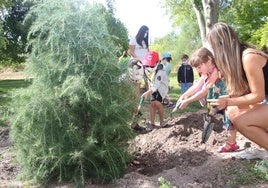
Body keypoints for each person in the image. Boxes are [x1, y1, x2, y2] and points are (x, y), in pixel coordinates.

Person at [205, 22, 268, 155]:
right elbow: (239, 94)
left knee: (242, 121)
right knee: (233, 112)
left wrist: (228, 102)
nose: (214, 53)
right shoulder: (238, 60)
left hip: (263, 99)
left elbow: (258, 96)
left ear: (223, 45)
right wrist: (223, 100)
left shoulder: (248, 57)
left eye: (214, 48)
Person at [172, 47, 239, 152]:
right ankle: (231, 142)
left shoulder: (215, 71)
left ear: (209, 61)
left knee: (229, 117)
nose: (198, 71)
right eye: (196, 68)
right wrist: (184, 95)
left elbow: (204, 91)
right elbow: (198, 85)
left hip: (228, 96)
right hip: (220, 97)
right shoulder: (206, 72)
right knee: (221, 116)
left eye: (199, 67)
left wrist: (188, 101)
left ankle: (231, 143)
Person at [141, 59, 169, 131]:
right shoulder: (148, 70)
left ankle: (162, 121)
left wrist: (146, 93)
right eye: (148, 65)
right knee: (153, 104)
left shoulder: (161, 71)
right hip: (153, 88)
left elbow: (156, 85)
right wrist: (149, 90)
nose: (150, 67)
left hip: (161, 89)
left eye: (151, 65)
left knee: (157, 103)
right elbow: (150, 81)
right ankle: (152, 123)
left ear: (157, 62)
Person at [129, 25, 149, 90]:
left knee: (147, 81)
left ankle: (149, 98)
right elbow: (131, 52)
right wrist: (139, 59)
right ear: (141, 32)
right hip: (136, 64)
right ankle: (136, 99)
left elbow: (147, 52)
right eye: (145, 32)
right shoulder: (133, 39)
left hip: (145, 64)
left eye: (147, 33)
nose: (146, 34)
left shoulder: (145, 42)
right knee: (137, 83)